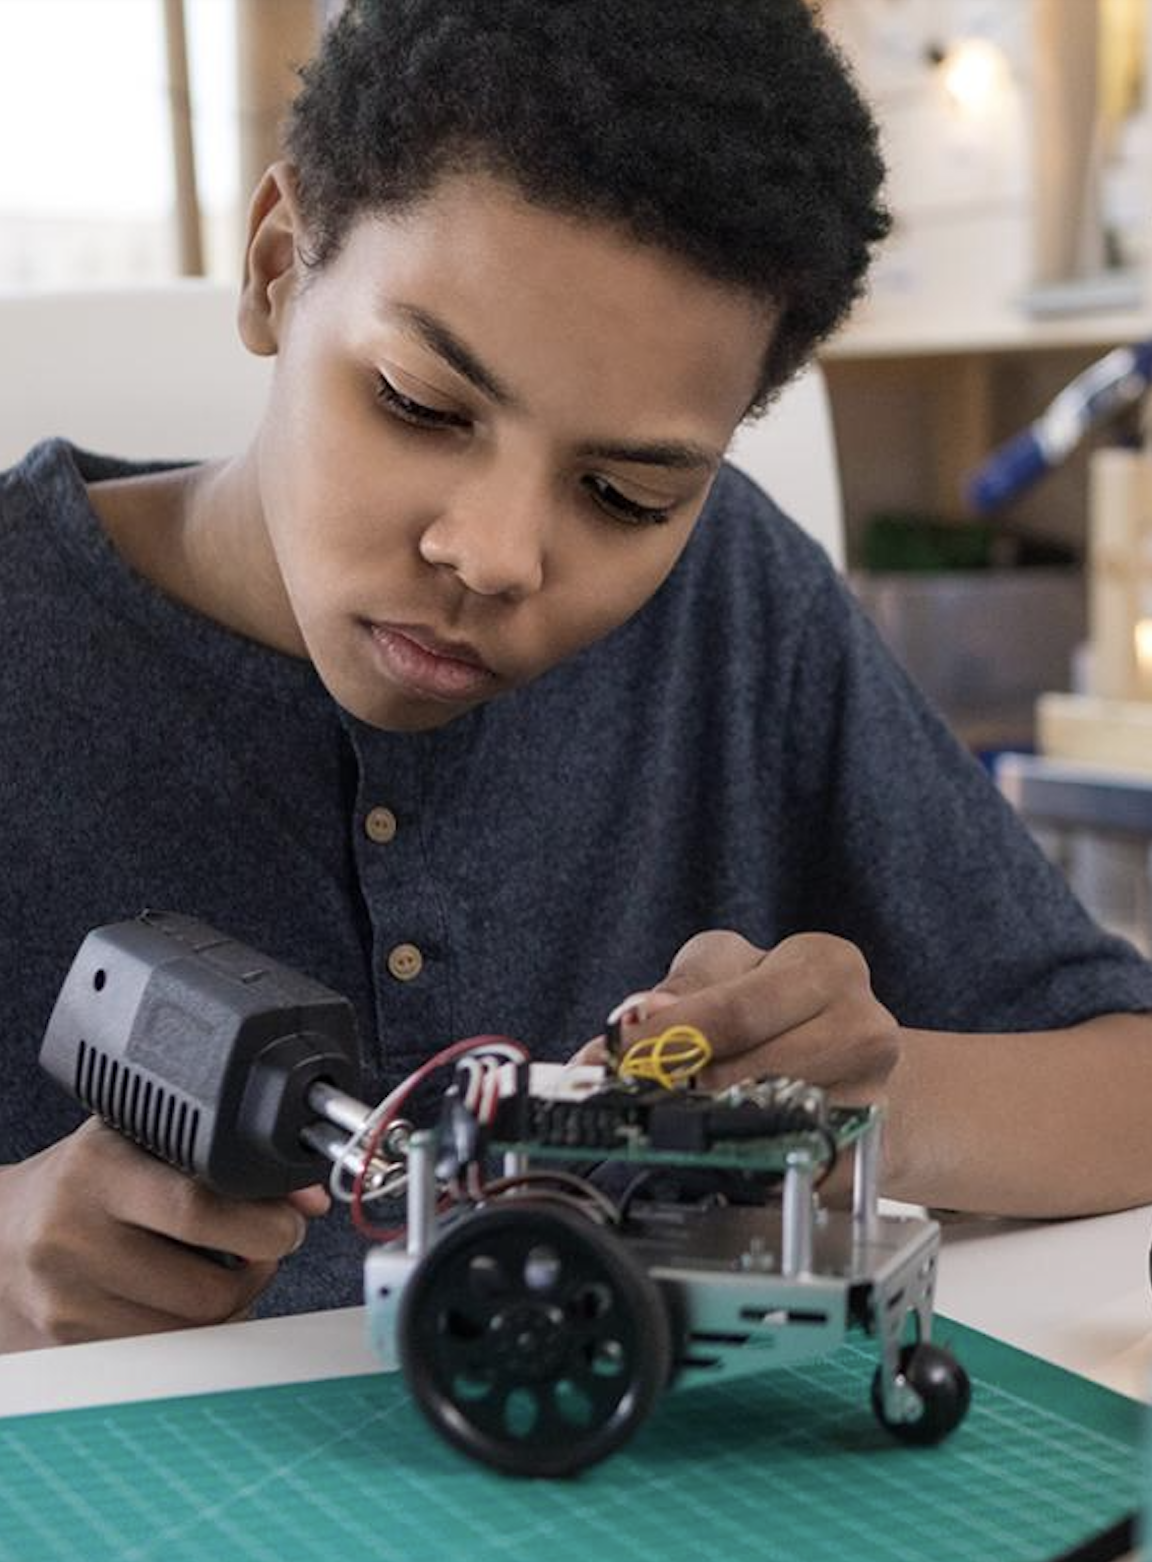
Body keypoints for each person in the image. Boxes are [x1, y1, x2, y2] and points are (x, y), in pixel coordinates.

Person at [2, 0, 1151, 1355]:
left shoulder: (733, 605)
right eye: (422, 407)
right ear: (273, 267)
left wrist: (853, 1109)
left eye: (624, 492)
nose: (491, 556)